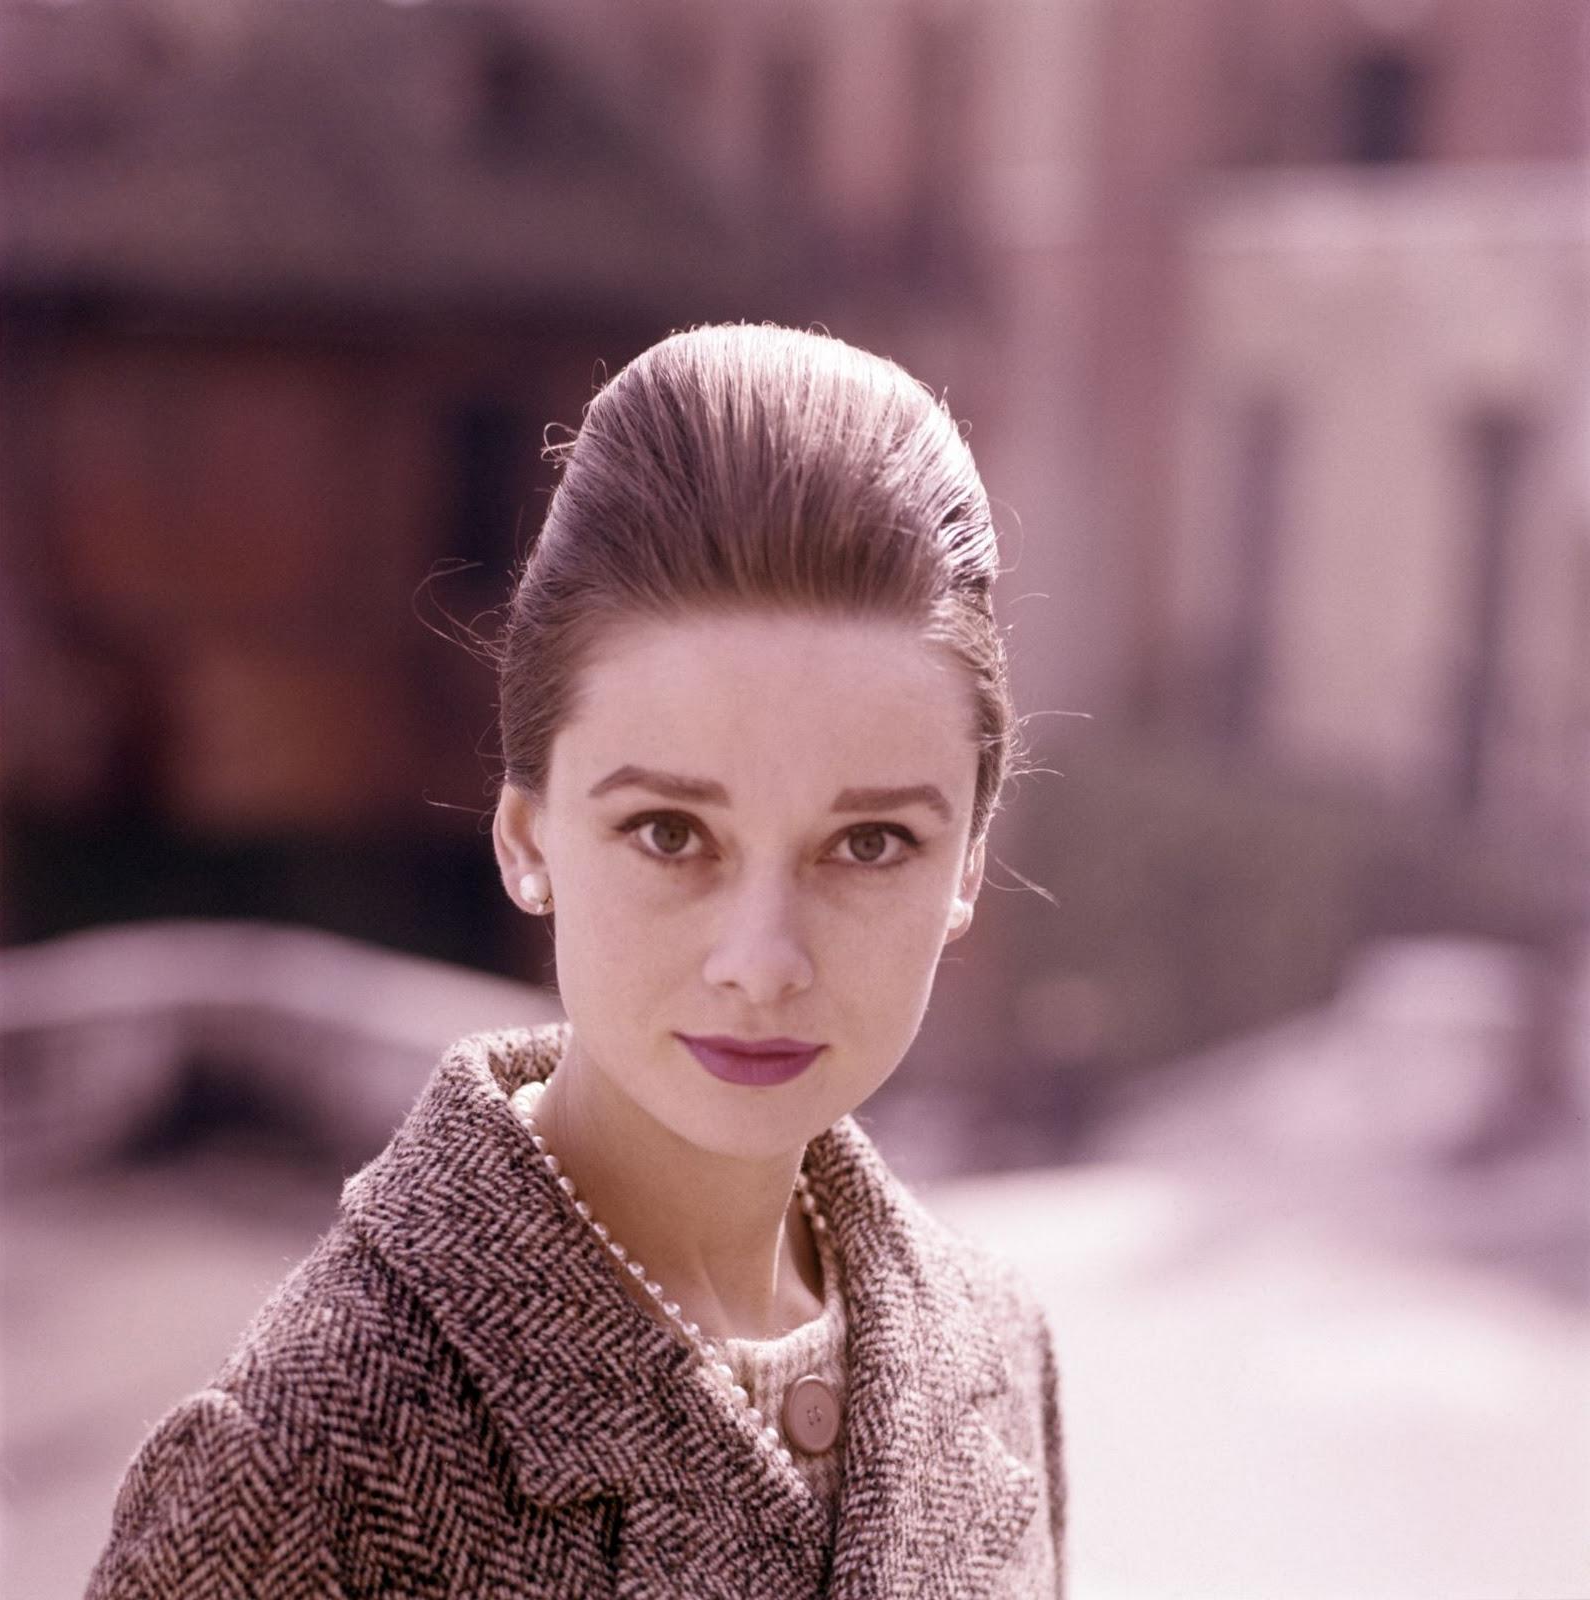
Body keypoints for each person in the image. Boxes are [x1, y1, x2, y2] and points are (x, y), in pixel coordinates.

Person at [85, 324, 1067, 1598]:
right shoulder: (306, 1463)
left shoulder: (996, 1355)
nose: (762, 961)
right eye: (671, 833)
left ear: (970, 865)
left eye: (868, 841)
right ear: (527, 834)